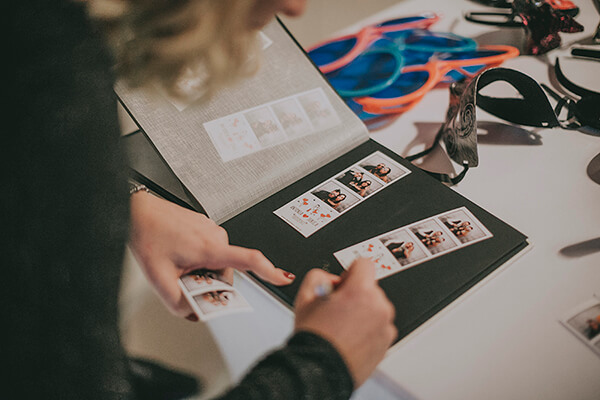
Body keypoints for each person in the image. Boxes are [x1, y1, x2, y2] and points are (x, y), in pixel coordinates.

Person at [8, 1, 397, 399]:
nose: (295, 7)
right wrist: (321, 366)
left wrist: (130, 203)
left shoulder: (41, 43)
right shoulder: (50, 61)